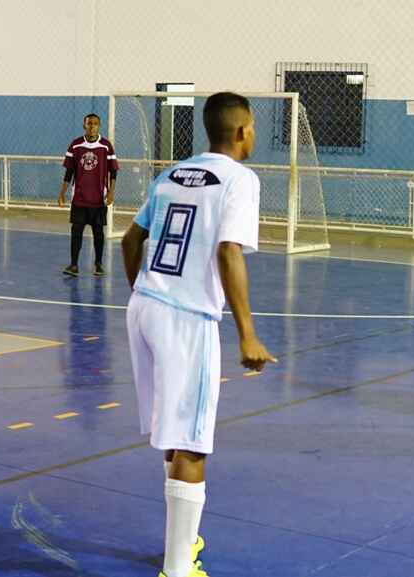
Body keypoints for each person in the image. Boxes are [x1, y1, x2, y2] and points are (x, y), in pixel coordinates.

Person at [121, 92, 277, 577]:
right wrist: (247, 333)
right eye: (252, 128)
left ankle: (183, 540)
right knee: (191, 442)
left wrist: (148, 294)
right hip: (185, 319)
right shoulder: (239, 180)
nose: (254, 135)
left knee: (174, 433)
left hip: (144, 307)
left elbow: (130, 239)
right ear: (240, 131)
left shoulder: (171, 174)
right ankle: (177, 568)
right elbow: (229, 251)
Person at [58, 113, 118, 277]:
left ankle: (98, 264)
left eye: (95, 123)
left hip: (99, 199)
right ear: (84, 125)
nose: (92, 126)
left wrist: (111, 192)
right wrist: (62, 192)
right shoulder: (76, 145)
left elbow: (113, 172)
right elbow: (69, 171)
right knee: (76, 232)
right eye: (89, 123)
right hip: (80, 198)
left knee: (98, 233)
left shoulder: (106, 146)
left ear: (99, 126)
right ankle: (74, 265)